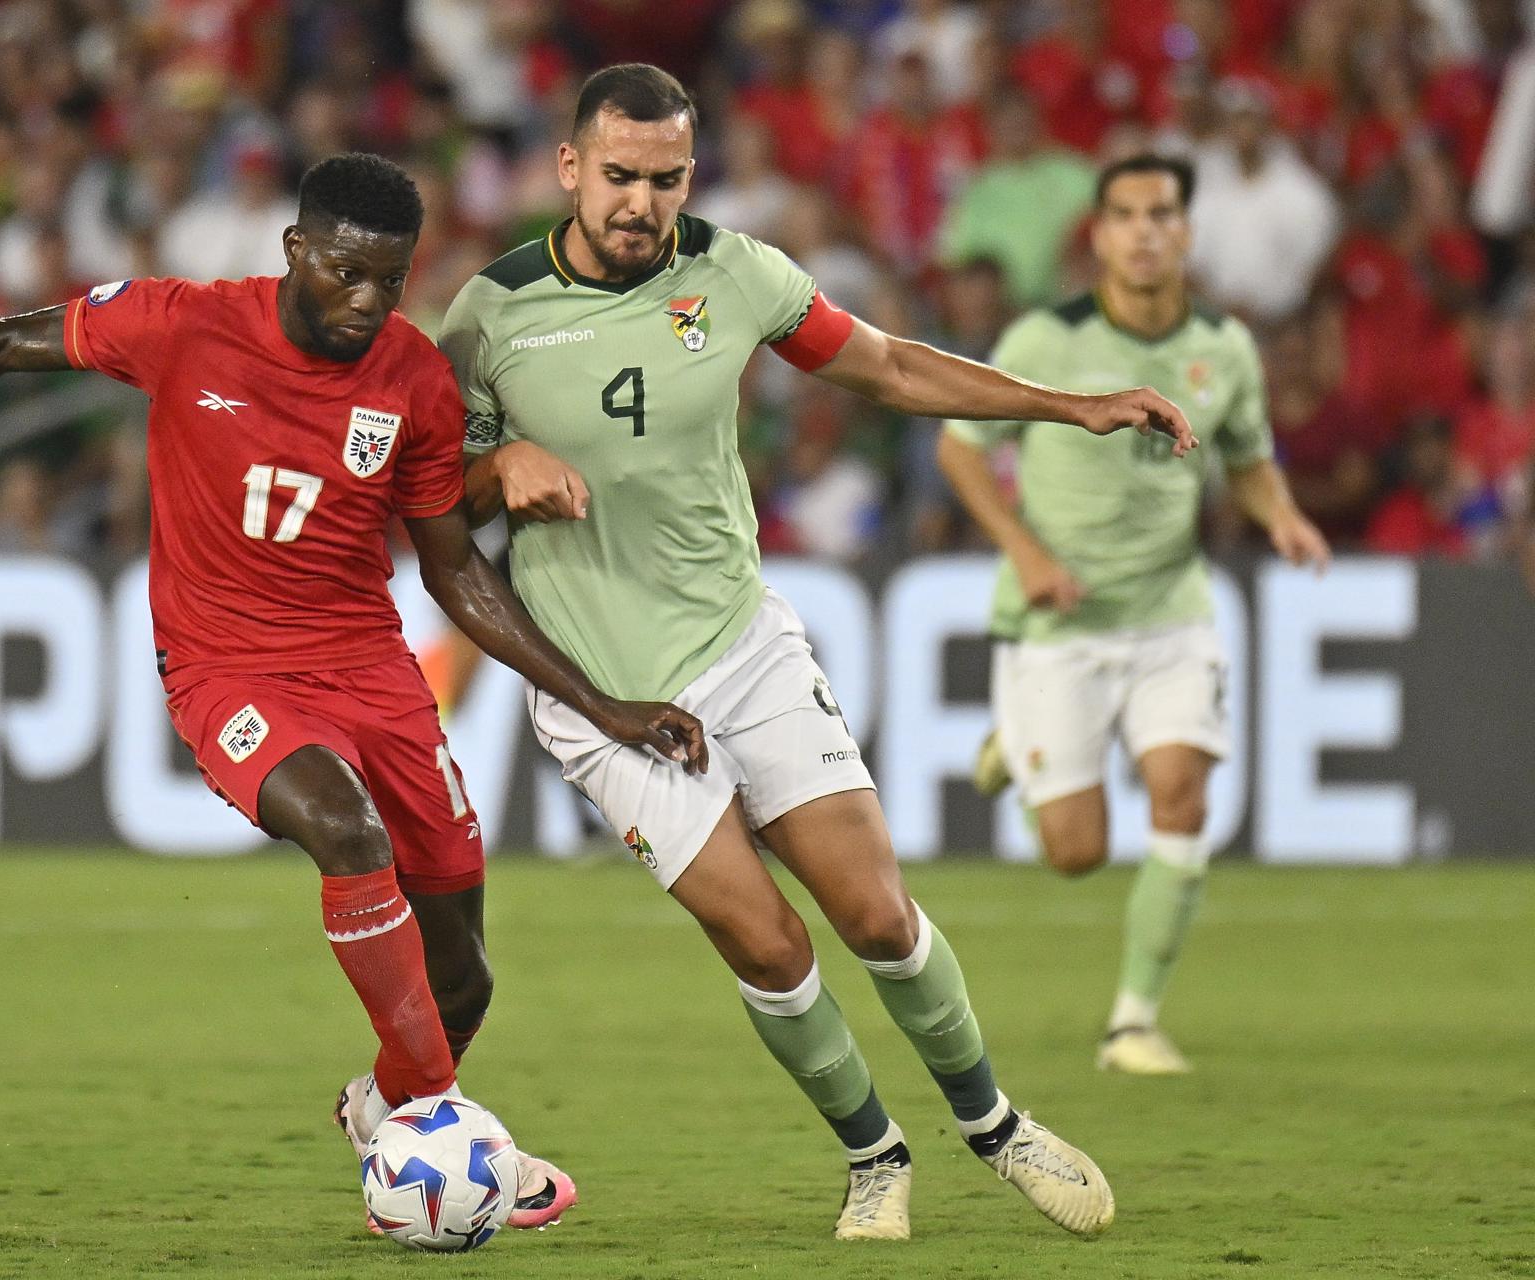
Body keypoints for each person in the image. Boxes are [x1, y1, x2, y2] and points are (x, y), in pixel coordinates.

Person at [0, 151, 708, 1233]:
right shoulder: (184, 323)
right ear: (294, 250)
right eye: (343, 272)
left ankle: (387, 1106)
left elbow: (456, 570)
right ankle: (451, 1134)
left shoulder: (414, 378)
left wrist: (603, 701)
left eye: (390, 279)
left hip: (369, 668)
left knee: (463, 976)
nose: (366, 301)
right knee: (346, 829)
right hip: (227, 668)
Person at [441, 64, 1197, 1243]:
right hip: (604, 692)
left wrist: (1070, 405)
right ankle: (873, 1156)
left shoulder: (735, 272)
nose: (642, 202)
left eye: (667, 177)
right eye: (621, 177)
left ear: (691, 173)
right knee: (766, 938)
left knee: (878, 916)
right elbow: (429, 506)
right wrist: (495, 473)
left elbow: (889, 365)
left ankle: (994, 1124)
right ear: (569, 168)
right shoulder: (489, 317)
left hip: (740, 642)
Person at [937, 154, 1331, 1076]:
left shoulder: (1226, 348)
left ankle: (1133, 1022)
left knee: (1182, 793)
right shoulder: (1044, 340)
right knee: (1075, 853)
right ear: (1101, 235)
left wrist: (1282, 515)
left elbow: (1247, 457)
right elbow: (962, 450)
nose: (1146, 231)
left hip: (1171, 613)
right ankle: (1012, 739)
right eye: (1125, 215)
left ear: (1187, 232)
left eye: (1162, 213)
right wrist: (1026, 552)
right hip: (1058, 623)